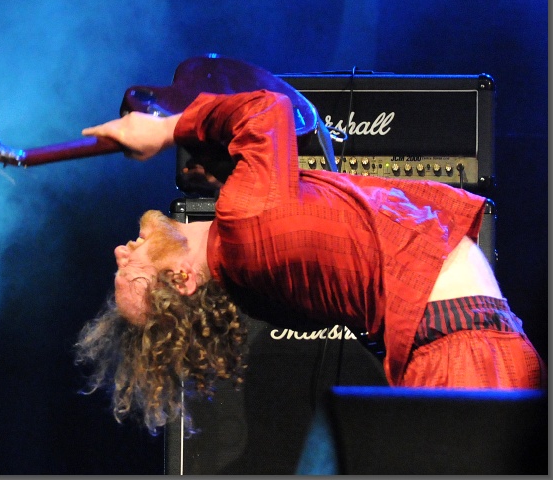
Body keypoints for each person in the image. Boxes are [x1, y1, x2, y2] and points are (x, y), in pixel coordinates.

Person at [73, 89, 546, 435]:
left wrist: (225, 171)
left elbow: (300, 218)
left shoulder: (250, 280)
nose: (120, 252)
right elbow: (266, 109)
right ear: (181, 279)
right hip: (465, 358)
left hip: (468, 348)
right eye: (128, 271)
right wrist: (164, 130)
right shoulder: (243, 228)